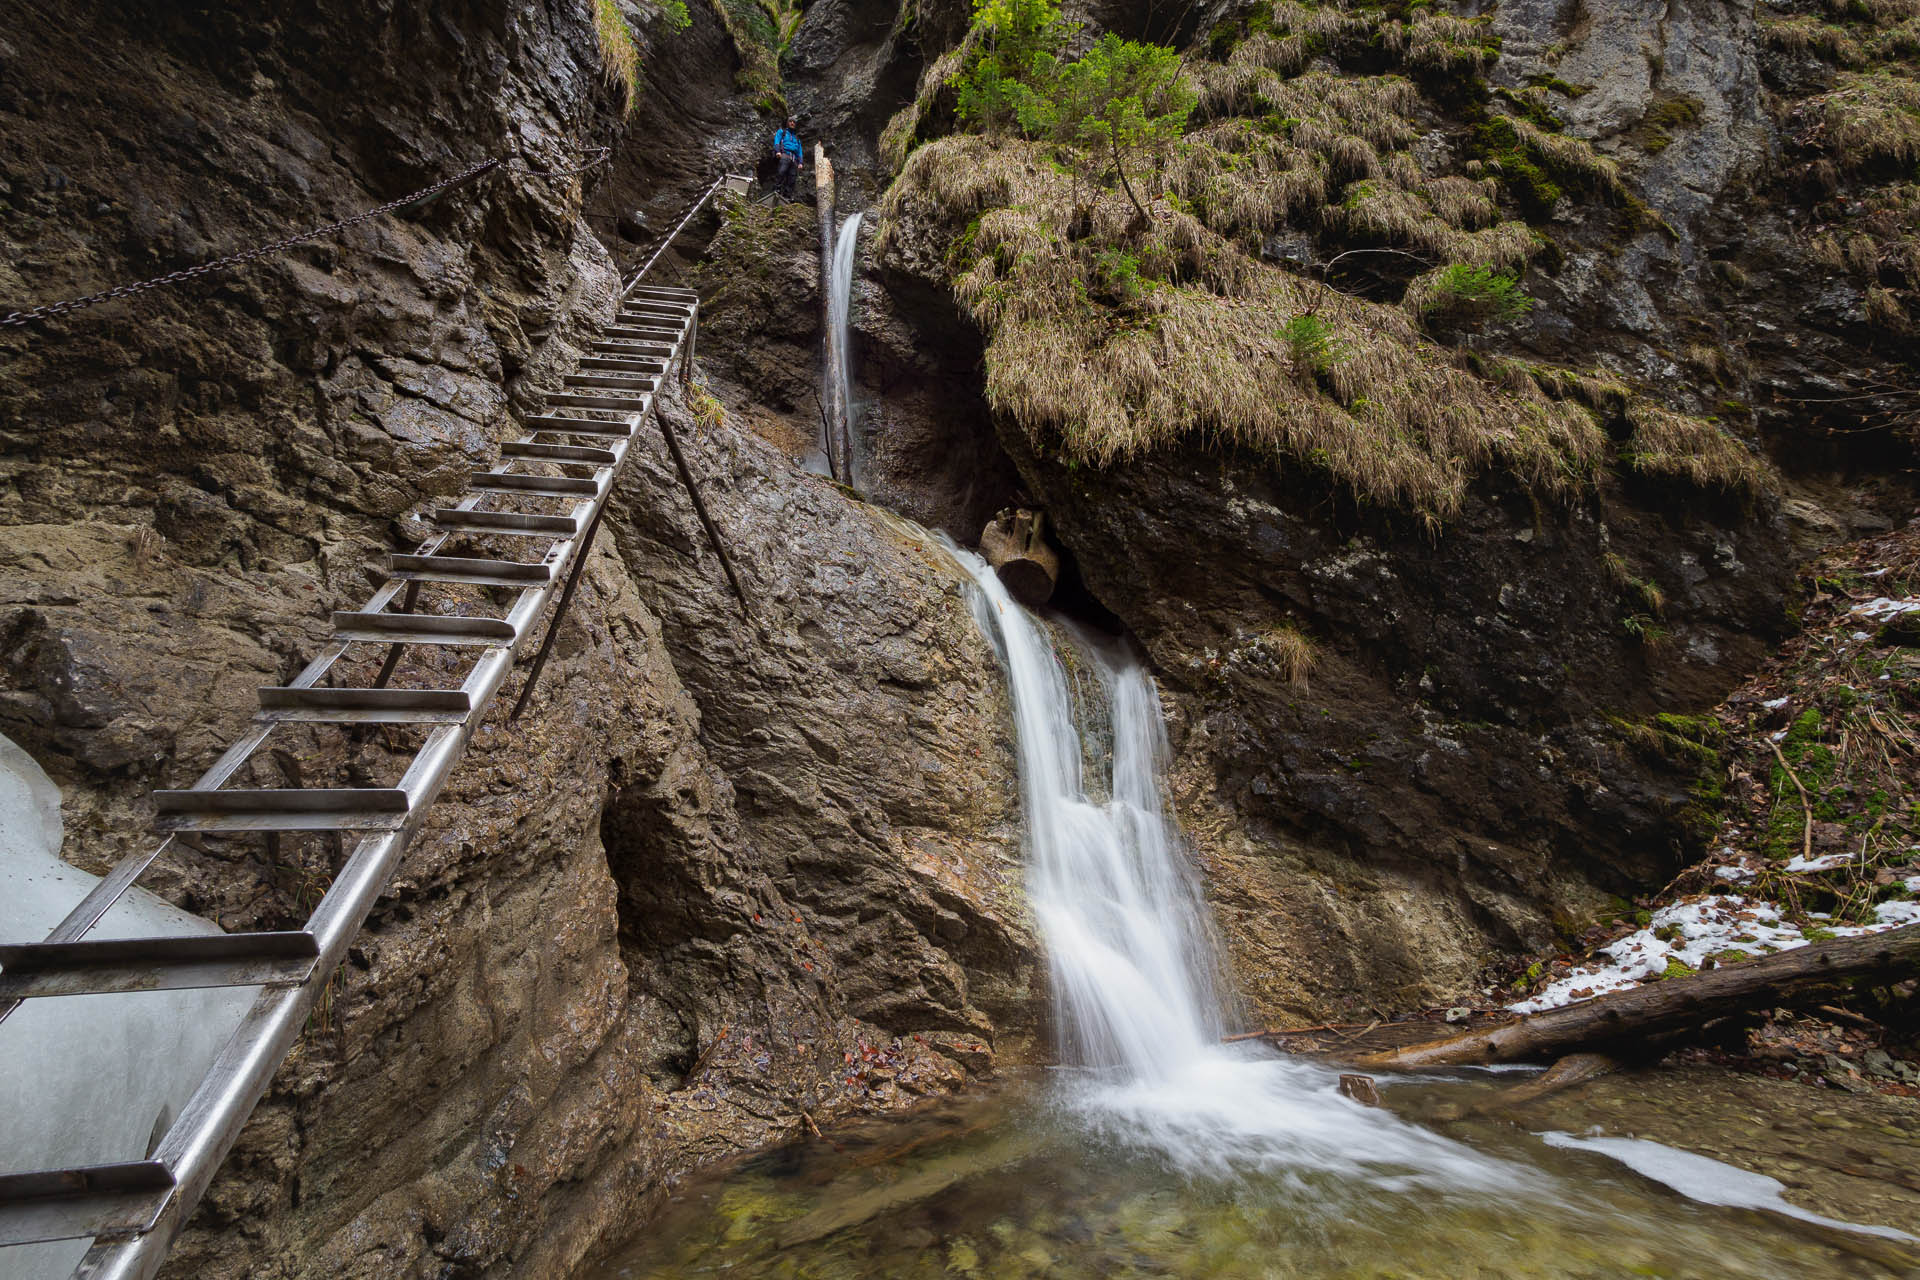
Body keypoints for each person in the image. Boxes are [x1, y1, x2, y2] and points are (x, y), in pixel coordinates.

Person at [772, 118, 804, 200]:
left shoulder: (797, 138)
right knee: (781, 172)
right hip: (785, 154)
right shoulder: (782, 132)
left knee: (792, 177)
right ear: (787, 123)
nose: (792, 123)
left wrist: (800, 162)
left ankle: (787, 195)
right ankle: (776, 190)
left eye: (794, 122)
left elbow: (799, 151)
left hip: (794, 159)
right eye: (790, 121)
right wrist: (778, 151)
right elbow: (777, 141)